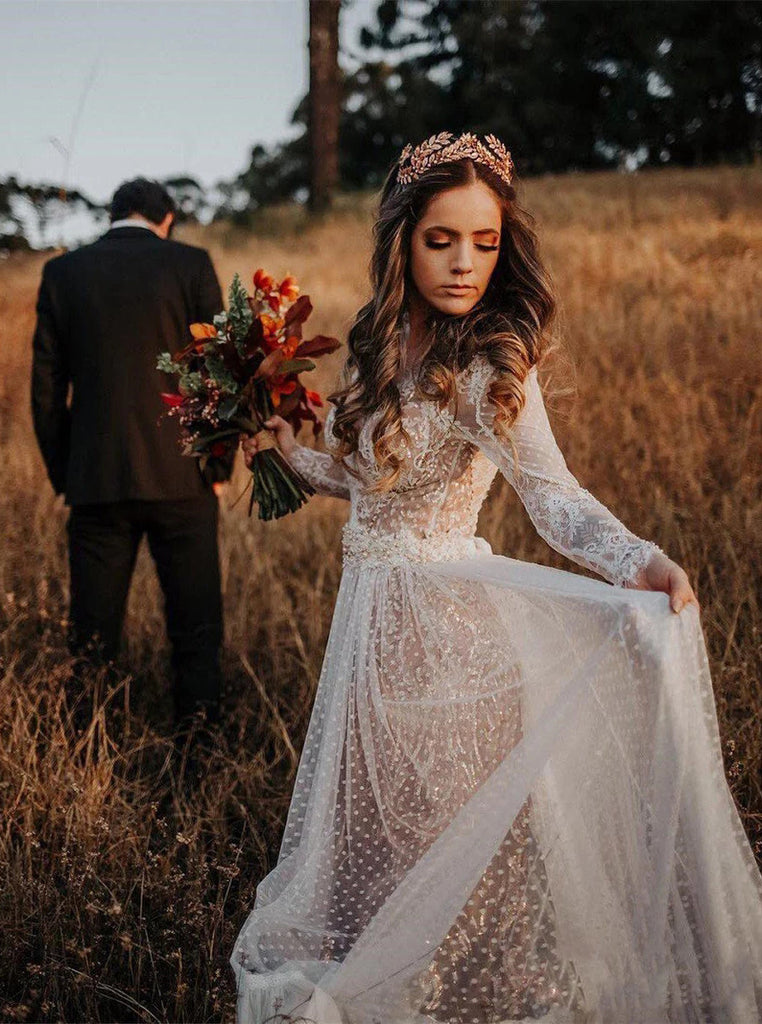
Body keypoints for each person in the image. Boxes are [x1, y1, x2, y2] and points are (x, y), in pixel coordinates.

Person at [230, 133, 762, 1023]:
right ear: (403, 241)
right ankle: (404, 992)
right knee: (381, 838)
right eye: (441, 240)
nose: (464, 263)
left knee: (450, 850)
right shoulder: (376, 342)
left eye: (484, 242)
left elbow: (554, 498)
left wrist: (639, 559)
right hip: (371, 631)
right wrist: (293, 455)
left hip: (450, 642)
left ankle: (476, 1001)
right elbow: (367, 486)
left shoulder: (488, 366)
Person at [31, 177, 233, 736]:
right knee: (195, 629)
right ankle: (199, 745)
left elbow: (46, 389)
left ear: (114, 215)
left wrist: (66, 474)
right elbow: (221, 371)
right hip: (185, 477)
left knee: (92, 639)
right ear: (164, 219)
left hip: (95, 480)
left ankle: (86, 747)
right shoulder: (191, 264)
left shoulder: (63, 273)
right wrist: (217, 464)